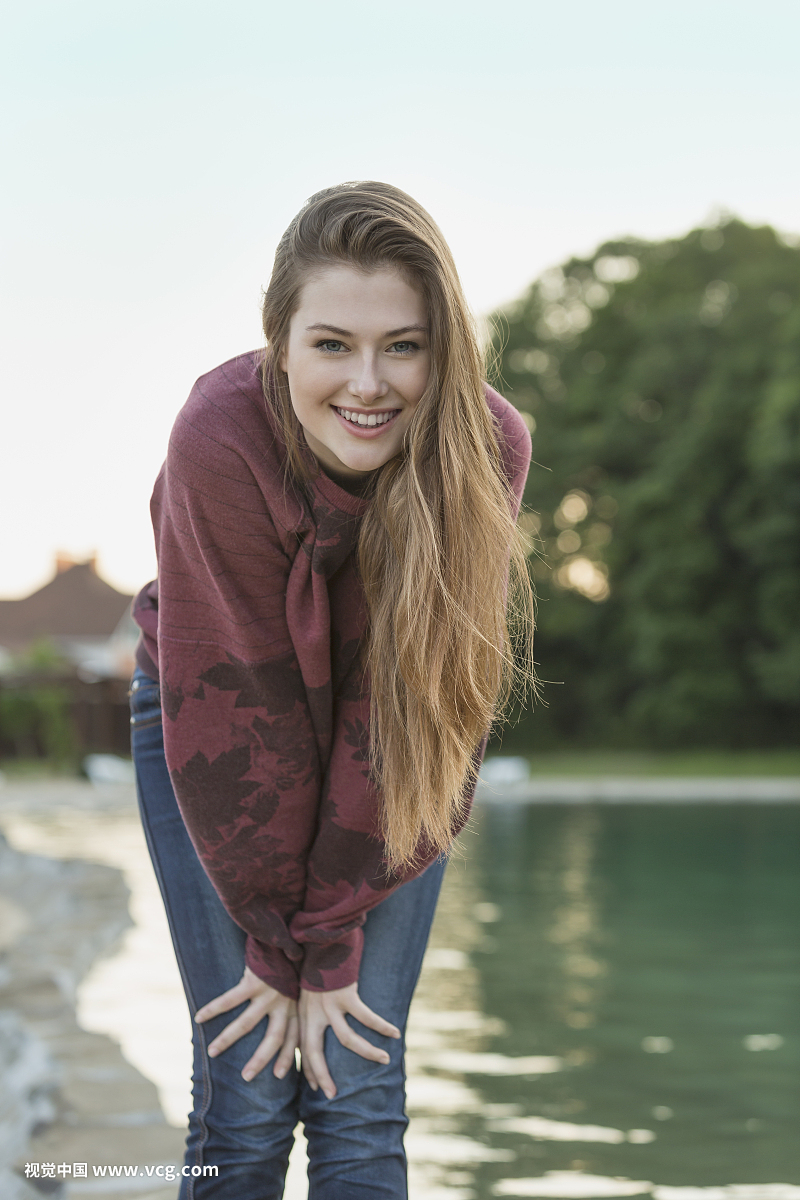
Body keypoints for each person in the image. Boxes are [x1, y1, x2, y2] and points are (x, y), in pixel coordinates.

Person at [129, 180, 535, 1200]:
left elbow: (417, 706)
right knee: (250, 1085)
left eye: (403, 344)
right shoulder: (219, 435)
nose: (369, 382)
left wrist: (333, 944)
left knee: (356, 1084)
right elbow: (243, 712)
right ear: (279, 342)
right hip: (209, 717)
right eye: (331, 345)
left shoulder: (484, 447)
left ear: (443, 347)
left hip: (398, 740)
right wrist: (278, 948)